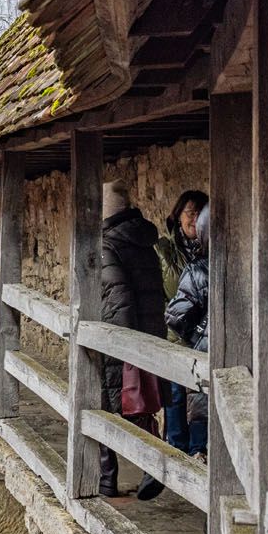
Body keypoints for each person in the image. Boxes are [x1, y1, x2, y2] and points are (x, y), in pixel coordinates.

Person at [99, 179, 168, 498]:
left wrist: (115, 344)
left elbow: (117, 298)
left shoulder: (107, 245)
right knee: (138, 403)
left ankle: (107, 478)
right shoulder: (142, 241)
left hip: (119, 338)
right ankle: (149, 466)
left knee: (105, 404)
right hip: (149, 333)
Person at [154, 189, 209, 456]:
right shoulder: (164, 251)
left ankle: (199, 454)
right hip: (175, 338)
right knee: (175, 399)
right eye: (190, 212)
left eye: (200, 213)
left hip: (204, 341)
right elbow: (159, 296)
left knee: (200, 399)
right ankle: (177, 452)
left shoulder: (212, 252)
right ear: (178, 215)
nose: (195, 218)